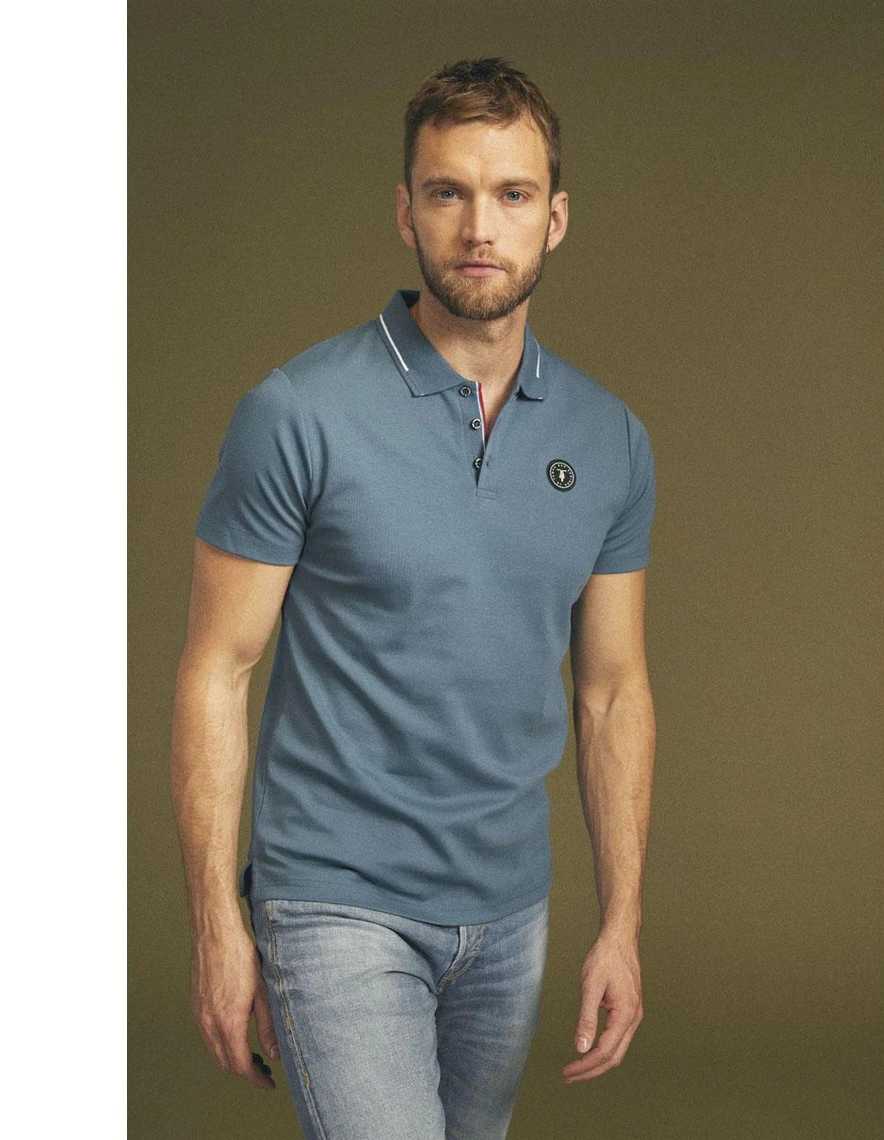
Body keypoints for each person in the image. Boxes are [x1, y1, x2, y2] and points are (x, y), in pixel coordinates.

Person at [169, 56, 657, 1140]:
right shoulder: (297, 413)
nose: (480, 226)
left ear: (555, 219)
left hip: (509, 914)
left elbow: (613, 692)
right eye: (448, 192)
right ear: (406, 213)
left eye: (512, 194)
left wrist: (622, 922)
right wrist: (215, 925)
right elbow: (217, 669)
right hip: (333, 899)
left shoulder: (610, 440)